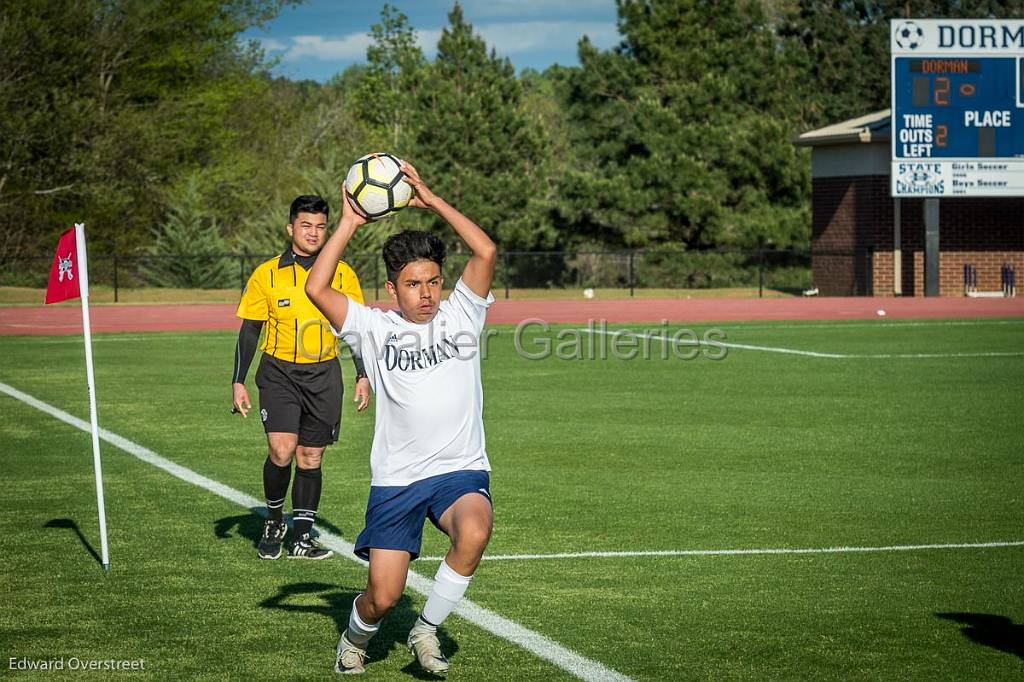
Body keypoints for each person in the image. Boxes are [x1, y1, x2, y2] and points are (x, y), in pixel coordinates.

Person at [305, 162, 497, 675]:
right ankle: (354, 637)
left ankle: (427, 629)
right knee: (382, 598)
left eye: (434, 281)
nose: (427, 293)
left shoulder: (462, 314)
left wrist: (431, 200)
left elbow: (485, 251)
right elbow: (317, 289)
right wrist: (348, 221)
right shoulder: (372, 327)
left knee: (475, 532)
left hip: (460, 468)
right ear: (394, 289)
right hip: (398, 479)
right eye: (414, 284)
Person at [232, 195, 370, 561]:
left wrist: (362, 373)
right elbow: (250, 330)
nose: (313, 233)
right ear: (291, 228)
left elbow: (354, 329)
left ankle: (302, 538)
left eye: (321, 226)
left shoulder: (342, 274)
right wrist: (238, 381)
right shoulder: (267, 273)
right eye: (306, 226)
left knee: (311, 457)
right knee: (281, 450)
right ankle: (274, 522)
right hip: (278, 372)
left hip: (324, 373)